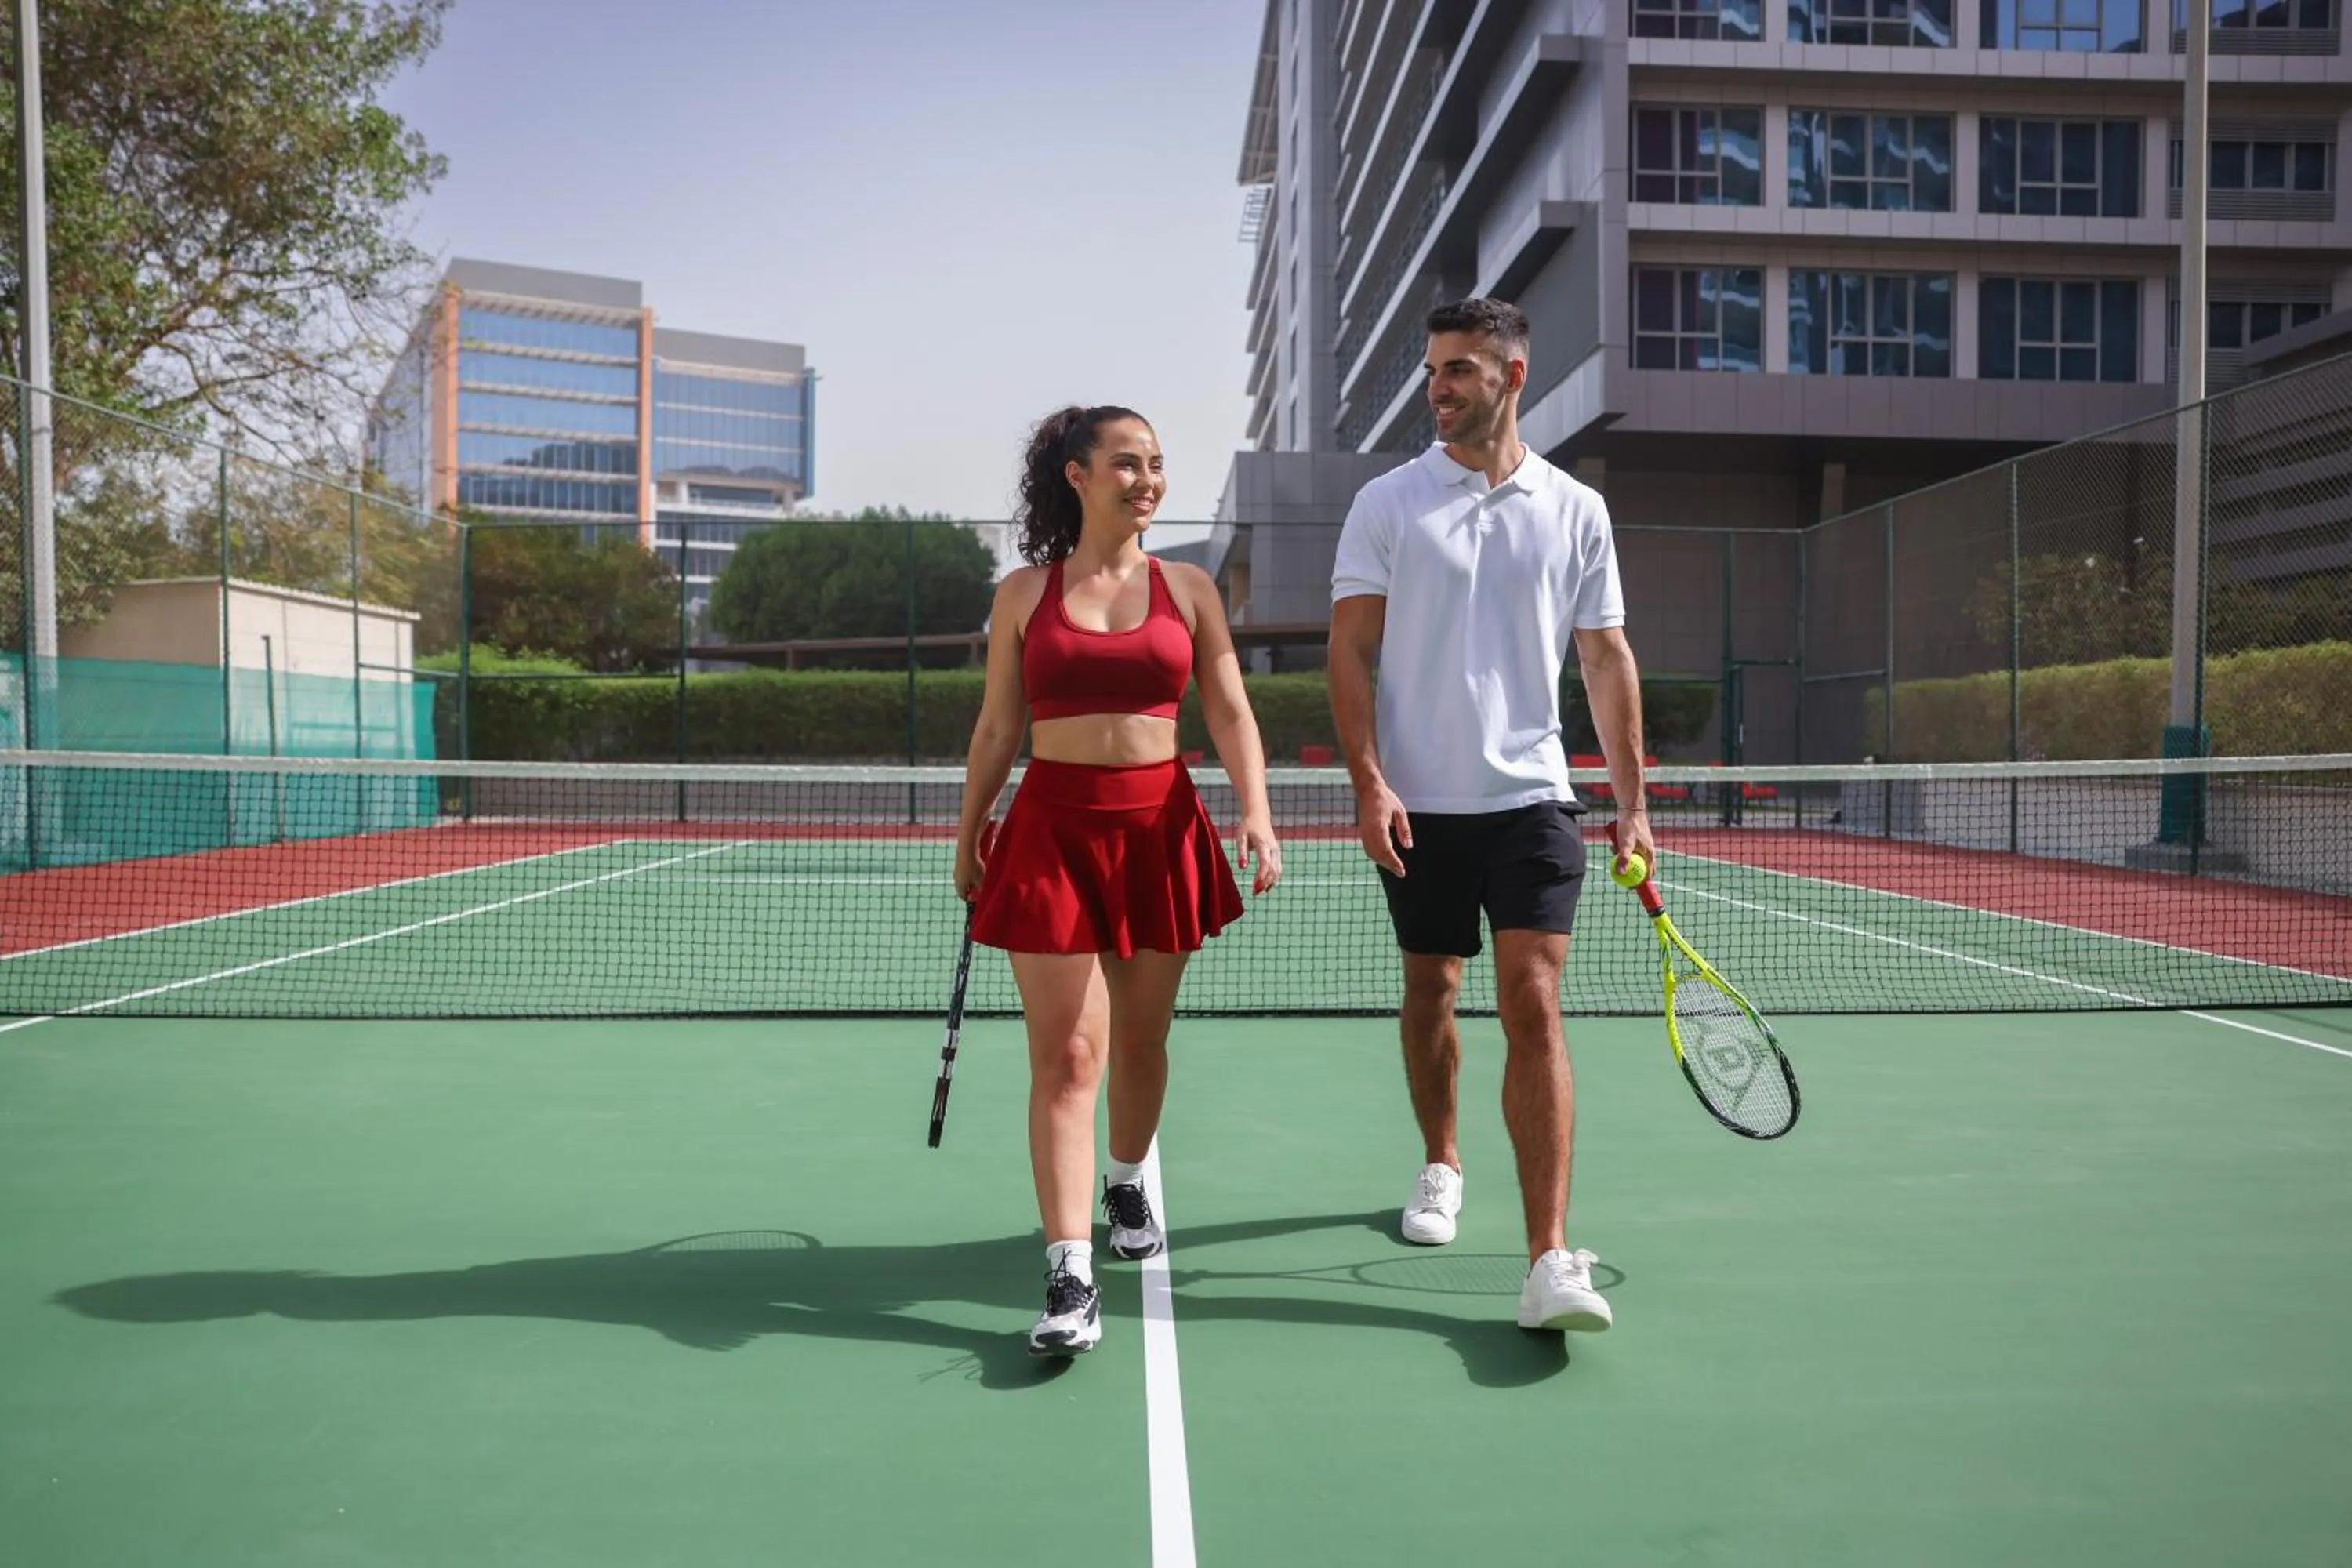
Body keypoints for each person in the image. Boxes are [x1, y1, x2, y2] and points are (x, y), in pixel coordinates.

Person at [1326, 298, 1656, 1335]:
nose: (1440, 387)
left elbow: (1605, 657)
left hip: (1533, 799)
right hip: (1420, 808)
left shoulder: (1575, 510)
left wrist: (1633, 802)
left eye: (1459, 370)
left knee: (1533, 1004)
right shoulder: (1388, 503)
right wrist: (1369, 781)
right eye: (1433, 371)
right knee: (1432, 989)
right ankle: (1441, 1161)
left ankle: (1550, 1257)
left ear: (1513, 374)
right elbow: (1350, 650)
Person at [955, 405, 1283, 1358]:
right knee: (1066, 1059)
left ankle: (1127, 1174)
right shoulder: (1022, 594)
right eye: (1128, 464)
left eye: (1157, 465)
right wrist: (969, 830)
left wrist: (1254, 811)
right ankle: (1068, 1270)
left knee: (1142, 1042)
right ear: (1078, 476)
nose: (1148, 480)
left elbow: (1228, 709)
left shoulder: (1189, 588)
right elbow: (995, 729)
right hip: (1051, 831)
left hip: (1160, 830)